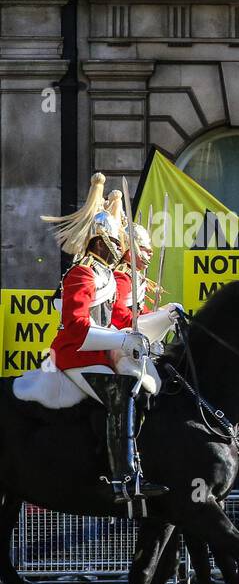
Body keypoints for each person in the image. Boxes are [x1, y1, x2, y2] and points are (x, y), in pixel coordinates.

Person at [42, 173, 178, 502]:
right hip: (75, 354)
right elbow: (76, 326)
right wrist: (120, 342)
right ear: (99, 241)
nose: (120, 248)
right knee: (121, 391)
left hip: (95, 355)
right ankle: (124, 476)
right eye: (115, 241)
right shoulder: (82, 272)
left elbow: (120, 321)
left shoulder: (104, 275)